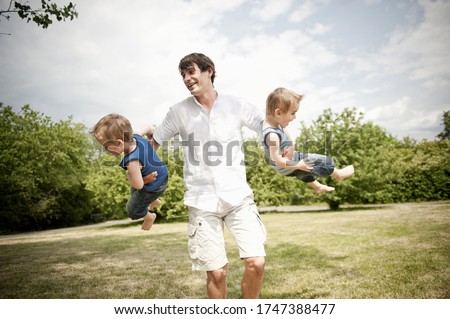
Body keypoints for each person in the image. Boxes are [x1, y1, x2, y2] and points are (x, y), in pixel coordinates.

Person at [143, 53, 266, 299]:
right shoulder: (178, 111)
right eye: (183, 75)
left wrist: (279, 144)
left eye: (192, 72)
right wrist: (144, 171)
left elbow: (267, 126)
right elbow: (154, 143)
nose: (187, 79)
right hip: (201, 201)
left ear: (209, 70)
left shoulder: (236, 104)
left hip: (239, 198)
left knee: (256, 262)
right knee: (217, 273)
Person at [262, 87, 354, 194]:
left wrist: (291, 146)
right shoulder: (272, 135)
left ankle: (317, 186)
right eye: (292, 113)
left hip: (286, 168)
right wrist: (297, 165)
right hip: (289, 163)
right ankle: (338, 174)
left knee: (303, 171)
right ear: (278, 113)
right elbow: (277, 160)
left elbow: (283, 129)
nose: (295, 117)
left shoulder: (273, 122)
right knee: (320, 161)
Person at [91, 114, 168, 231]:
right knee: (134, 193)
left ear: (119, 144)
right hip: (162, 174)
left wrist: (129, 175)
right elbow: (147, 127)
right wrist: (151, 137)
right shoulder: (136, 136)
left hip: (155, 185)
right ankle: (152, 200)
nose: (105, 150)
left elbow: (139, 185)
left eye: (106, 147)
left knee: (132, 209)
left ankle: (149, 216)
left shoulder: (132, 161)